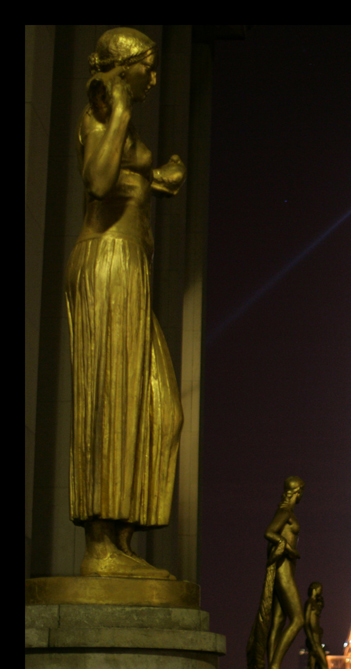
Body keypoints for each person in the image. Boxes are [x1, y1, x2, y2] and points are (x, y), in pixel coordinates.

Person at [66, 28, 186, 579]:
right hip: (108, 261)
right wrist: (115, 108)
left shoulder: (123, 122)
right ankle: (100, 546)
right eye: (147, 67)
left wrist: (158, 179)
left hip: (131, 264)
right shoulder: (100, 111)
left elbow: (126, 179)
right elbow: (96, 179)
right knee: (111, 395)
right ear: (124, 68)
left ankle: (121, 539)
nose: (154, 77)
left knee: (161, 412)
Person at [247, 477, 306, 669]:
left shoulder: (288, 513)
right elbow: (269, 532)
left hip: (287, 568)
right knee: (299, 619)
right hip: (284, 570)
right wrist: (288, 548)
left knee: (279, 621)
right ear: (296, 491)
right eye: (300, 492)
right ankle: (273, 667)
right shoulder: (285, 513)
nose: (301, 496)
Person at [304, 582, 329, 669]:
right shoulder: (309, 604)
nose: (321, 591)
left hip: (316, 639)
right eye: (320, 588)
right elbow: (307, 623)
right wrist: (311, 640)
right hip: (314, 641)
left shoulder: (313, 604)